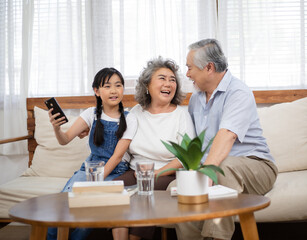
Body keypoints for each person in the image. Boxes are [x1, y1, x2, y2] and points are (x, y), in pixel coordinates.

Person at [175, 39, 278, 240]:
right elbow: (195, 145)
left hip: (257, 166)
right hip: (219, 167)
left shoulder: (238, 92)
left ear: (209, 68)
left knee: (223, 168)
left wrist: (205, 173)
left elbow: (226, 136)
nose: (187, 74)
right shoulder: (196, 99)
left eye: (190, 68)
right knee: (181, 188)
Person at [47, 67, 137, 240]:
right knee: (61, 208)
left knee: (87, 214)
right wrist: (56, 127)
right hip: (90, 168)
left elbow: (117, 156)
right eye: (107, 86)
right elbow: (64, 139)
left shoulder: (130, 118)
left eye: (118, 85)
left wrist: (94, 182)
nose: (113, 90)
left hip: (115, 171)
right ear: (97, 91)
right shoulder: (90, 114)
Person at [112, 56, 196, 240]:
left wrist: (154, 174)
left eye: (172, 80)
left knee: (144, 195)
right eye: (162, 78)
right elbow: (123, 147)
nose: (168, 83)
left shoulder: (181, 116)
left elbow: (185, 158)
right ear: (147, 85)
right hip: (135, 170)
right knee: (113, 192)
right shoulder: (135, 112)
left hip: (166, 174)